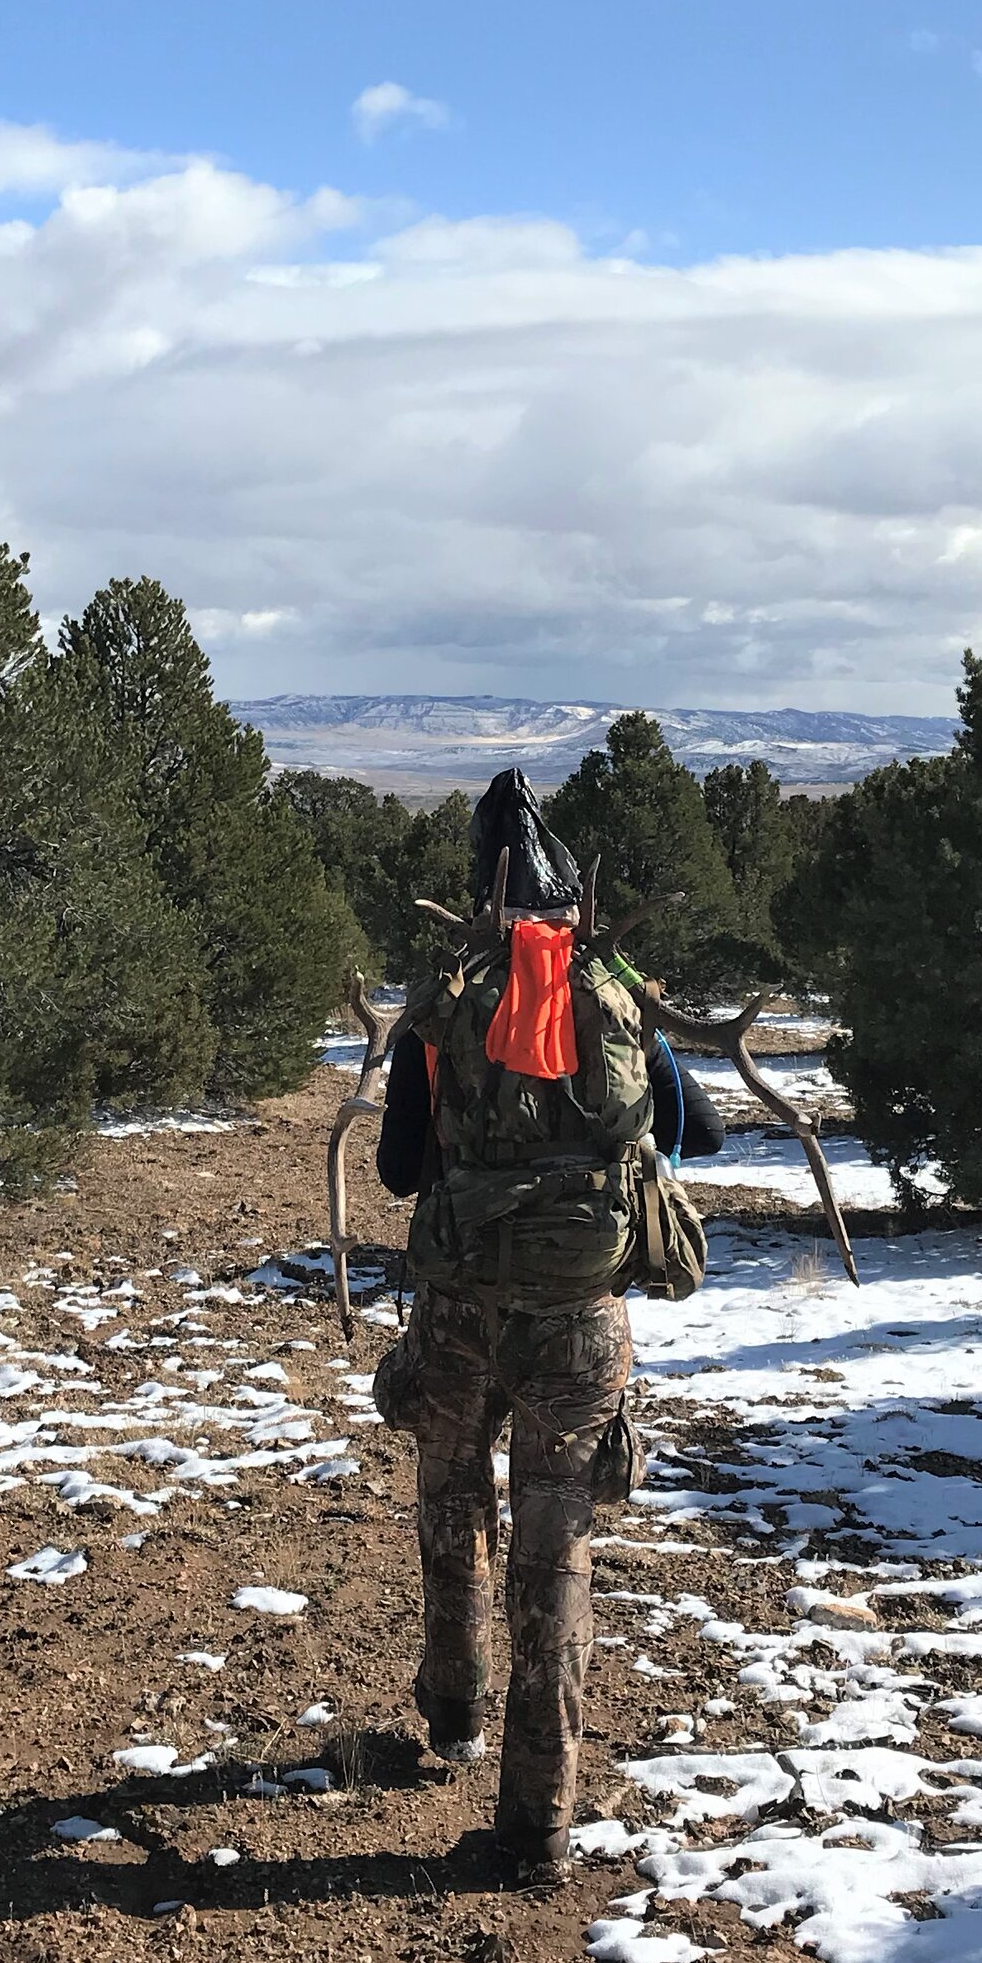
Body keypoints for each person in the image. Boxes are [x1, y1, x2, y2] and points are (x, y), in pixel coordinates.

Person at [372, 769, 723, 1890]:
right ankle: (536, 1828)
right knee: (556, 1541)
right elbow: (694, 1135)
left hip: (460, 1308)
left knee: (449, 1496)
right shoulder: (615, 1000)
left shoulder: (450, 1009)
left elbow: (395, 1170)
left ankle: (453, 1705)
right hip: (580, 1325)